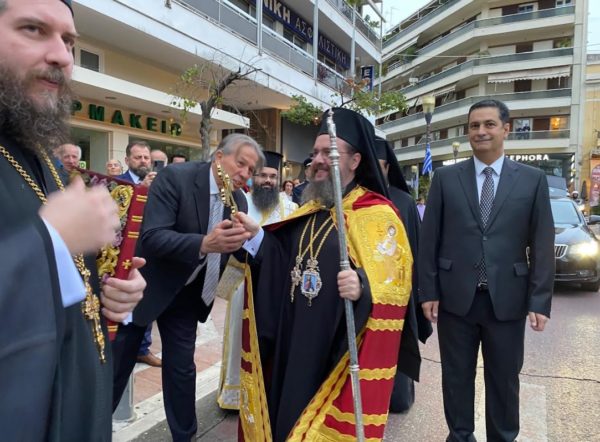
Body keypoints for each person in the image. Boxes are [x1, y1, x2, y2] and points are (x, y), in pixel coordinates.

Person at [0, 0, 146, 440]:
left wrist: (111, 292)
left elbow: (70, 282)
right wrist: (51, 241)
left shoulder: (46, 158)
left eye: (68, 41)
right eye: (33, 29)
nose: (62, 55)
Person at [236, 108, 413, 442]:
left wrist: (362, 285)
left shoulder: (376, 214)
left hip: (333, 350)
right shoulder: (310, 209)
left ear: (355, 160)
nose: (317, 160)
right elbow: (280, 259)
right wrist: (256, 237)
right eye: (315, 153)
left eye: (327, 152)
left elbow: (395, 283)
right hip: (292, 338)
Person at [111, 133, 264, 441]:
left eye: (251, 170)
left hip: (188, 294)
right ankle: (90, 428)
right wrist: (204, 243)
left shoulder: (239, 201)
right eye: (241, 164)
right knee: (116, 368)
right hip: (145, 287)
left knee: (181, 370)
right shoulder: (175, 178)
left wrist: (254, 239)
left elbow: (233, 250)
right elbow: (153, 236)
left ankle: (186, 436)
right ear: (219, 157)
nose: (244, 174)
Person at [418, 99, 555, 442]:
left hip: (507, 300)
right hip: (456, 301)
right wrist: (428, 291)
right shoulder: (446, 178)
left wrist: (539, 300)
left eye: (489, 124)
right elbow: (429, 240)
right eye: (474, 125)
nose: (480, 131)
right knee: (456, 378)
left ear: (506, 129)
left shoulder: (532, 180)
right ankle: (460, 436)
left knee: (505, 380)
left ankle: (503, 437)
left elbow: (541, 243)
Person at [217, 150, 297, 410]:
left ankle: (265, 392)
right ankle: (236, 396)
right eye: (263, 175)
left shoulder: (291, 208)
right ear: (253, 177)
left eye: (273, 176)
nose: (268, 181)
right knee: (238, 338)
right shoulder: (240, 203)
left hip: (276, 286)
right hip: (244, 281)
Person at [375, 137, 432, 413]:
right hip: (362, 288)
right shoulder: (353, 199)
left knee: (395, 343)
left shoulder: (404, 201)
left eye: (381, 166)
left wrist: (422, 293)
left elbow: (416, 250)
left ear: (389, 168)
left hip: (396, 291)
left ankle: (397, 395)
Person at [116, 143, 164, 368]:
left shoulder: (160, 184)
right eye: (138, 157)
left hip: (149, 250)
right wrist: (141, 190)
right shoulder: (118, 182)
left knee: (146, 298)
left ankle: (143, 348)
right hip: (123, 251)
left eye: (146, 157)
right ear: (127, 160)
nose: (143, 161)